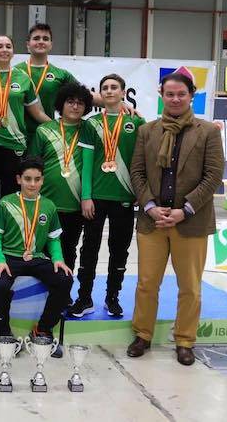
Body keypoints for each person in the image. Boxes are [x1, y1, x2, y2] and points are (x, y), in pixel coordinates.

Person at [127, 72, 223, 366]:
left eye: (181, 94)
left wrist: (186, 209)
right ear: (161, 96)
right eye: (170, 94)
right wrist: (151, 207)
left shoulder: (207, 131)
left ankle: (185, 340)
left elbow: (213, 175)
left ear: (191, 95)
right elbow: (137, 173)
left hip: (190, 222)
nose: (175, 99)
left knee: (190, 286)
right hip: (152, 221)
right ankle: (142, 335)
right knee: (146, 283)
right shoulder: (147, 131)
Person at [71, 74, 146, 318]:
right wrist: (86, 196)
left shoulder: (137, 122)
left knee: (119, 250)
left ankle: (112, 297)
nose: (110, 91)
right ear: (101, 94)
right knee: (89, 249)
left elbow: (141, 160)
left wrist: (139, 191)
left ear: (124, 93)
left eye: (115, 87)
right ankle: (84, 298)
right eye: (105, 88)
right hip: (96, 198)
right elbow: (87, 162)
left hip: (124, 197)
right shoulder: (91, 124)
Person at [0, 34, 50, 255]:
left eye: (8, 45)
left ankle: (7, 242)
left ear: (14, 51)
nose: (4, 49)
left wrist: (59, 126)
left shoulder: (24, 78)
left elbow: (36, 112)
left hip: (15, 145)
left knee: (9, 197)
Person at [0, 157, 73, 352]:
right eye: (28, 179)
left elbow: (53, 239)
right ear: (19, 179)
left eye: (37, 179)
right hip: (10, 256)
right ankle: (3, 334)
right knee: (0, 283)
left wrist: (58, 259)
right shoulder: (6, 203)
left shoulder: (49, 206)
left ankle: (43, 330)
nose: (32, 184)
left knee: (65, 279)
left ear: (43, 180)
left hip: (36, 257)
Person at [28, 81, 93, 273]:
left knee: (68, 250)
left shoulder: (89, 130)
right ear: (61, 104)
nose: (75, 106)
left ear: (86, 107)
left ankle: (63, 292)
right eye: (70, 101)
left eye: (80, 103)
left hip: (74, 205)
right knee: (42, 249)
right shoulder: (44, 130)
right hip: (46, 203)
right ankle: (42, 296)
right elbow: (32, 167)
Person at [16, 23, 79, 141]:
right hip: (17, 136)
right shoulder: (15, 72)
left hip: (47, 136)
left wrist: (114, 102)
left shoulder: (61, 74)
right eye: (36, 38)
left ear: (51, 45)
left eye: (45, 39)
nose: (41, 41)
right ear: (28, 44)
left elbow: (84, 93)